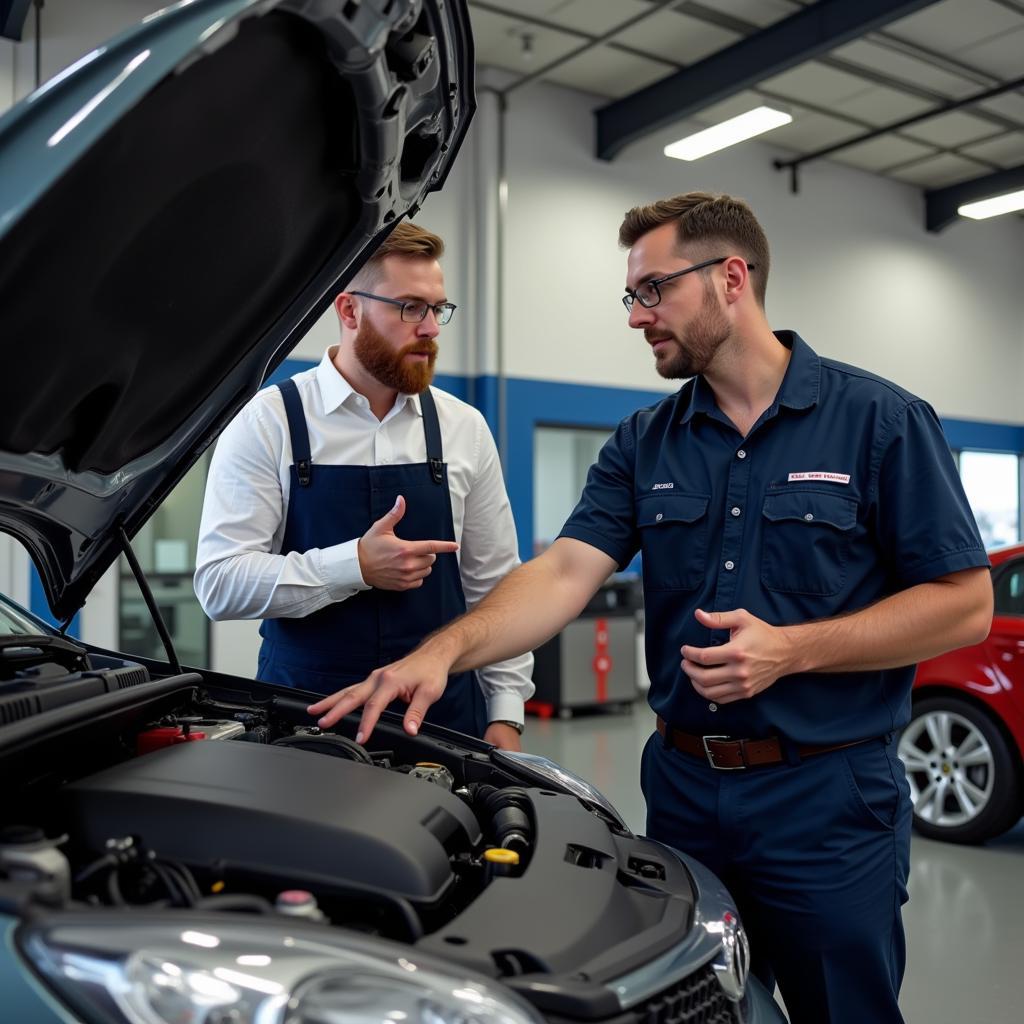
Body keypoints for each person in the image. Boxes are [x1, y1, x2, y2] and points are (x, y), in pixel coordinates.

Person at [307, 193, 994, 1022]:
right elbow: (563, 571)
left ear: (731, 278)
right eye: (631, 296)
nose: (637, 317)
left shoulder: (879, 422)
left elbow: (965, 606)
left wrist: (793, 650)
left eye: (653, 290)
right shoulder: (644, 441)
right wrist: (443, 652)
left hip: (828, 801)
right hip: (682, 796)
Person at [195, 220, 533, 750]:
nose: (431, 329)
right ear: (349, 310)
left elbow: (496, 588)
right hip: (306, 720)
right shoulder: (270, 420)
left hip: (442, 721)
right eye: (409, 307)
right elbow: (219, 583)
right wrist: (354, 564)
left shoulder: (462, 428)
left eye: (437, 309)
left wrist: (506, 715)